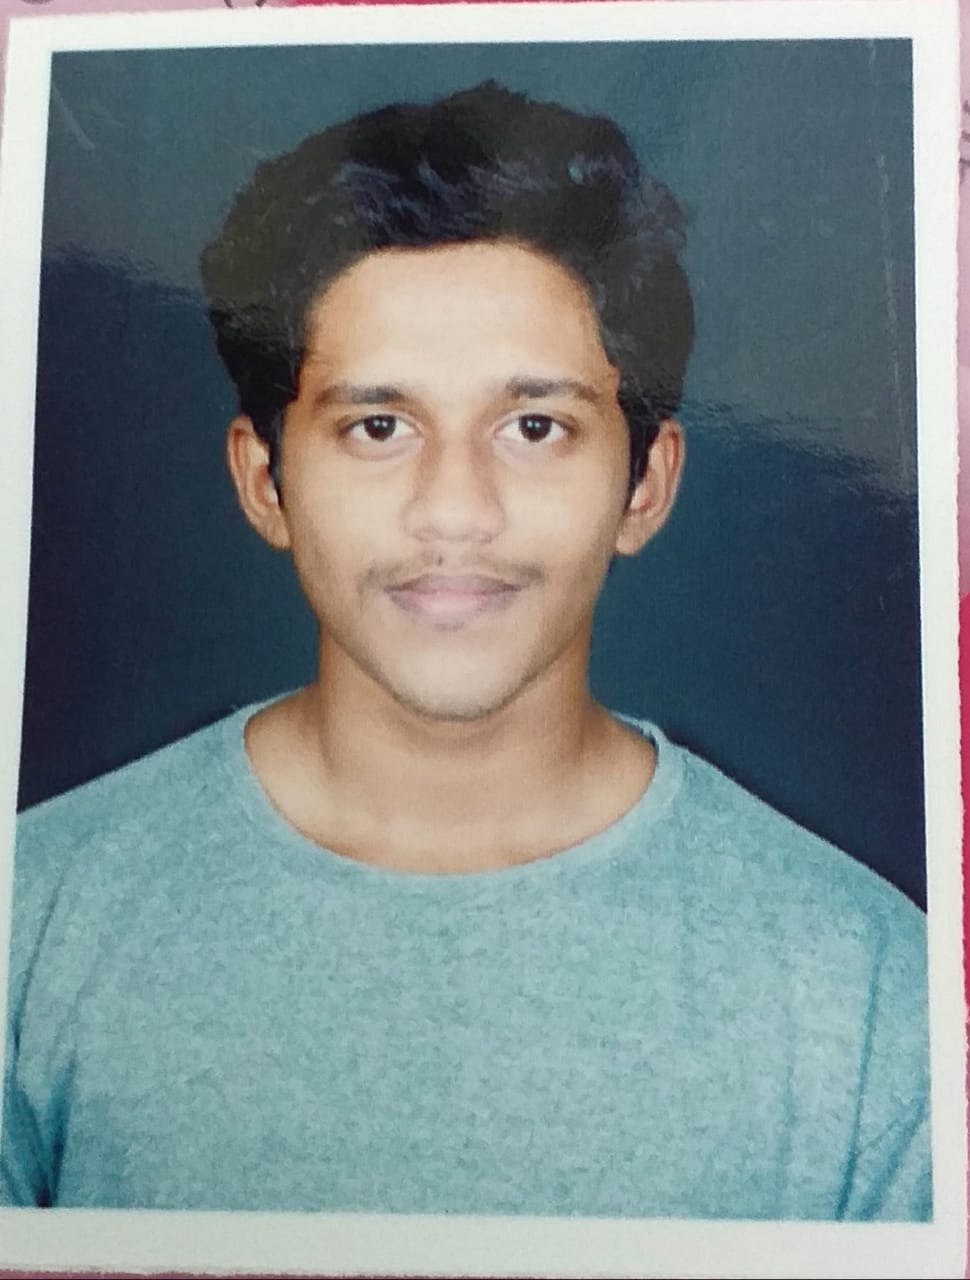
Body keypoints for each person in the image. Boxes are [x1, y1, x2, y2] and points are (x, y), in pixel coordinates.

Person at [1, 82, 930, 1219]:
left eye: (534, 427)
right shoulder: (29, 923)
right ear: (264, 481)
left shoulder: (873, 993)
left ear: (645, 484)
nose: (454, 510)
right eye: (378, 426)